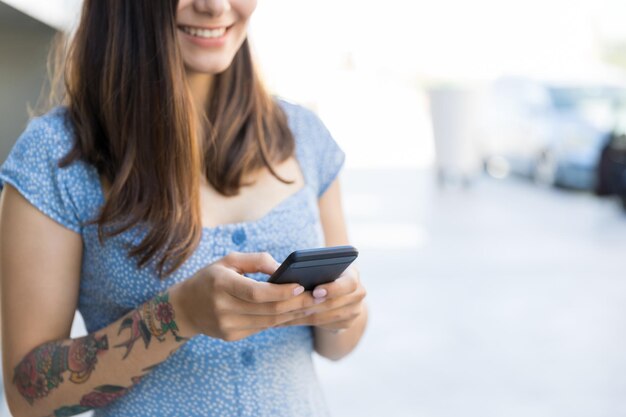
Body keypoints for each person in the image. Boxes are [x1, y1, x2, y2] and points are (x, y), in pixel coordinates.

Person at [0, 1, 368, 416]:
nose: (213, 6)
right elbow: (26, 396)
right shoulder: (53, 157)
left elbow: (340, 343)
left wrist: (341, 311)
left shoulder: (303, 136)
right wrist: (177, 317)